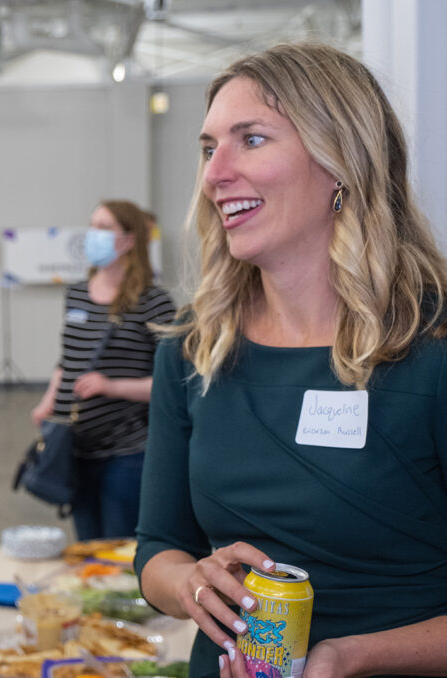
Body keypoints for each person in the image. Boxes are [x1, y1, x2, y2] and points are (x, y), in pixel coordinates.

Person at [135, 42, 447, 678]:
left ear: (341, 162)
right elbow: (158, 549)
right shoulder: (195, 351)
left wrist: (349, 657)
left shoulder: (431, 350)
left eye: (250, 139)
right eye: (207, 148)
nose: (214, 173)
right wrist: (193, 584)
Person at [31, 200, 175, 540]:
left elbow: (170, 384)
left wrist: (111, 386)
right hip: (76, 447)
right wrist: (48, 402)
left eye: (104, 227)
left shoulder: (154, 301)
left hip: (126, 452)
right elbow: (66, 359)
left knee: (118, 547)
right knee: (87, 548)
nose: (93, 234)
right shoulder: (77, 294)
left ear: (127, 240)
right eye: (92, 225)